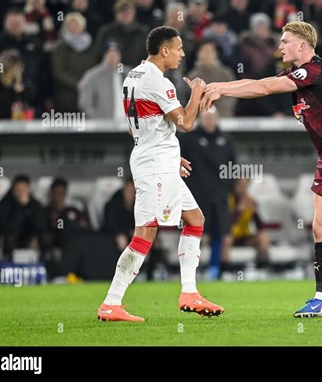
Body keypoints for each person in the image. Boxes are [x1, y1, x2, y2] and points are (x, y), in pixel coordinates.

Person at [201, 21, 322, 318]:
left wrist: (220, 88)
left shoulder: (318, 70)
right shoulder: (299, 77)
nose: (280, 46)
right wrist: (219, 87)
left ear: (303, 45)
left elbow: (265, 86)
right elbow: (261, 84)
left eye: (285, 41)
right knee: (321, 227)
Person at [98, 26, 224, 322]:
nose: (182, 53)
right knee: (146, 231)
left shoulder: (133, 75)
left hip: (156, 157)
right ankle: (111, 302)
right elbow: (186, 122)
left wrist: (170, 152)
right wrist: (196, 93)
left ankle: (189, 292)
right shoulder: (160, 82)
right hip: (154, 164)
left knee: (195, 219)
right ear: (164, 50)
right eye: (179, 48)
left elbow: (137, 125)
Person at [178, 106, 236, 279]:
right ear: (200, 120)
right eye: (206, 118)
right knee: (196, 233)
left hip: (219, 197)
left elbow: (233, 166)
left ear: (217, 119)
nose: (209, 121)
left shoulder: (226, 140)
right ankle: (191, 272)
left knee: (221, 235)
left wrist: (229, 188)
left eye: (212, 118)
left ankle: (215, 269)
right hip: (196, 196)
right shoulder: (188, 139)